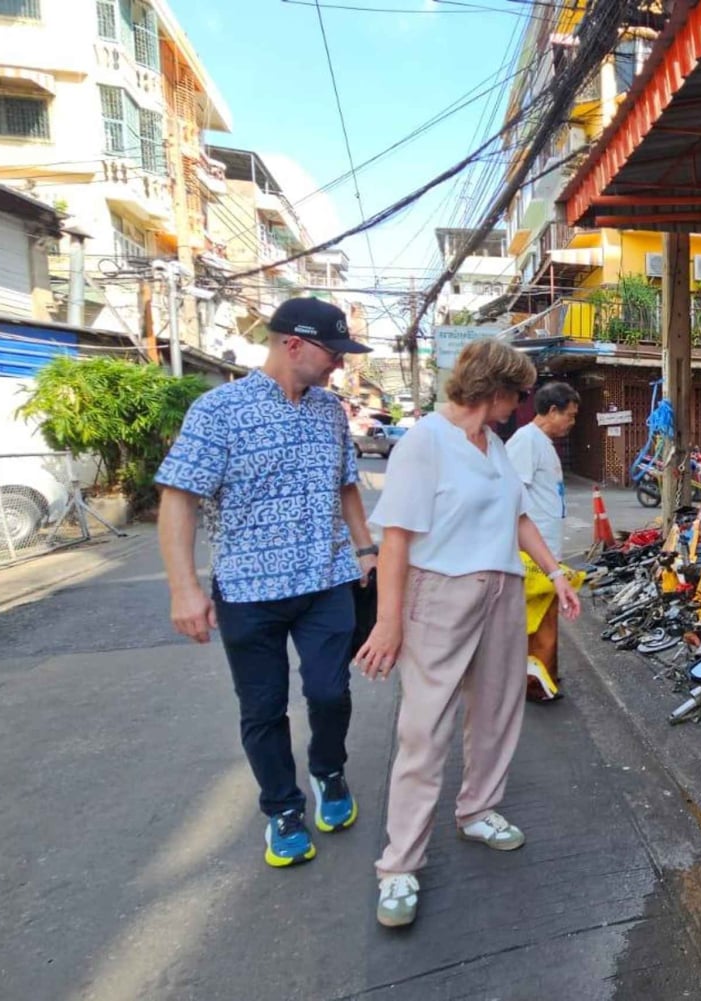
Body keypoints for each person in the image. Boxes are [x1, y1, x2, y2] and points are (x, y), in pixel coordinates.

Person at [353, 338, 581, 929]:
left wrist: (555, 574)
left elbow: (518, 516)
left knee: (500, 711)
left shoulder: (496, 445)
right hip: (440, 591)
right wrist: (387, 622)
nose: (522, 405)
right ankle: (399, 863)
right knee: (424, 728)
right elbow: (396, 538)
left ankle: (478, 808)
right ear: (495, 390)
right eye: (518, 393)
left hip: (501, 589)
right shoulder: (425, 442)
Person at [155, 297, 377, 868]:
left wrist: (365, 549)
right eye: (334, 353)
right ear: (293, 343)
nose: (339, 365)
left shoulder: (330, 411)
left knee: (330, 693)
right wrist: (184, 588)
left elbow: (346, 484)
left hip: (326, 580)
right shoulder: (217, 410)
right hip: (248, 592)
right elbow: (179, 499)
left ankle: (328, 770)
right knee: (263, 708)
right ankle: (281, 806)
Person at [504, 380, 581, 702]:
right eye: (570, 415)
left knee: (543, 614)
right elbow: (512, 497)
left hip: (546, 546)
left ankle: (542, 674)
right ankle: (536, 683)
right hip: (532, 549)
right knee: (538, 619)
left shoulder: (542, 442)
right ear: (552, 411)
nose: (572, 423)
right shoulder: (526, 441)